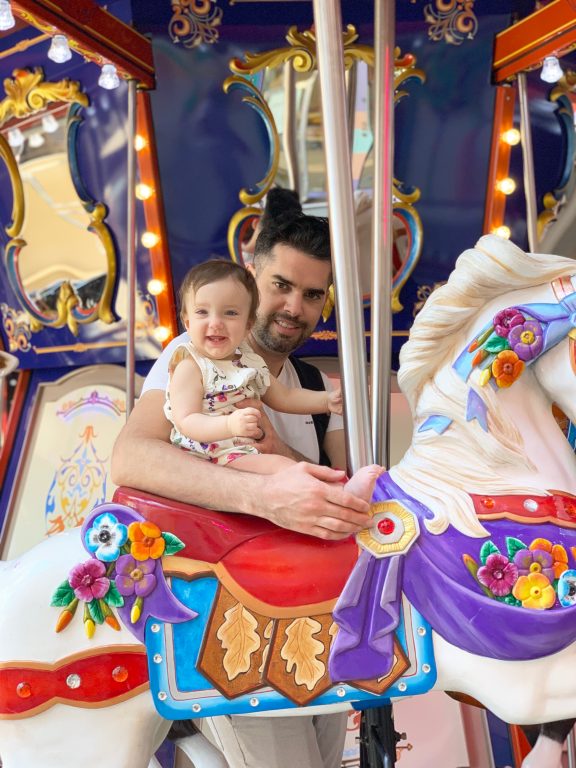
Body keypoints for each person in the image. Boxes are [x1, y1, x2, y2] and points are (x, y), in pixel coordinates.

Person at [112, 212, 376, 768]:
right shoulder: (193, 356)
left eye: (311, 294)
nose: (293, 308)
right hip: (226, 606)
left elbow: (343, 492)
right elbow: (131, 457)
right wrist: (258, 493)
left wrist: (280, 456)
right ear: (252, 277)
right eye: (281, 286)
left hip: (307, 607)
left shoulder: (308, 385)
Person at [165, 258, 379, 499]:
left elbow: (284, 396)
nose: (216, 323)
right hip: (205, 457)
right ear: (187, 322)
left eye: (230, 313)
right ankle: (340, 493)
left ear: (248, 325)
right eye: (202, 312)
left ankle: (343, 490)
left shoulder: (248, 362)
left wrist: (326, 401)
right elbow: (186, 420)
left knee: (286, 467)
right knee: (283, 471)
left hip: (238, 452)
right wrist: (229, 425)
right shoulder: (190, 365)